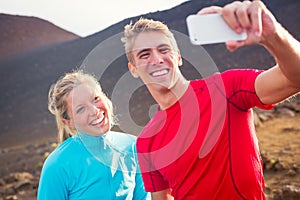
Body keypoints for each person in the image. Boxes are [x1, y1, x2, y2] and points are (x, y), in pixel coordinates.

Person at [121, 1, 300, 199]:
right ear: (134, 69)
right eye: (144, 54)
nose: (157, 59)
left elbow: (293, 79)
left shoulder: (225, 88)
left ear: (178, 57)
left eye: (164, 50)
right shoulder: (146, 142)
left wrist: (272, 35)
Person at [37, 70, 150, 200]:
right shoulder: (57, 165)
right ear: (68, 122)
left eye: (95, 99)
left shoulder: (133, 147)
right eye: (81, 109)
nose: (94, 111)